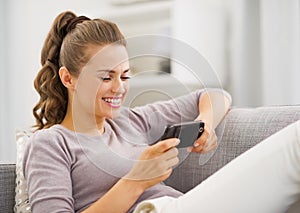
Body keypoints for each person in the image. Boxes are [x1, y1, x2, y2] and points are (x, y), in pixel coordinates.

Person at [22, 11, 300, 213]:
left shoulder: (130, 121)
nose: (119, 88)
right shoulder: (50, 144)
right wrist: (137, 179)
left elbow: (214, 96)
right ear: (68, 79)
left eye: (126, 76)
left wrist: (206, 125)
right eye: (106, 77)